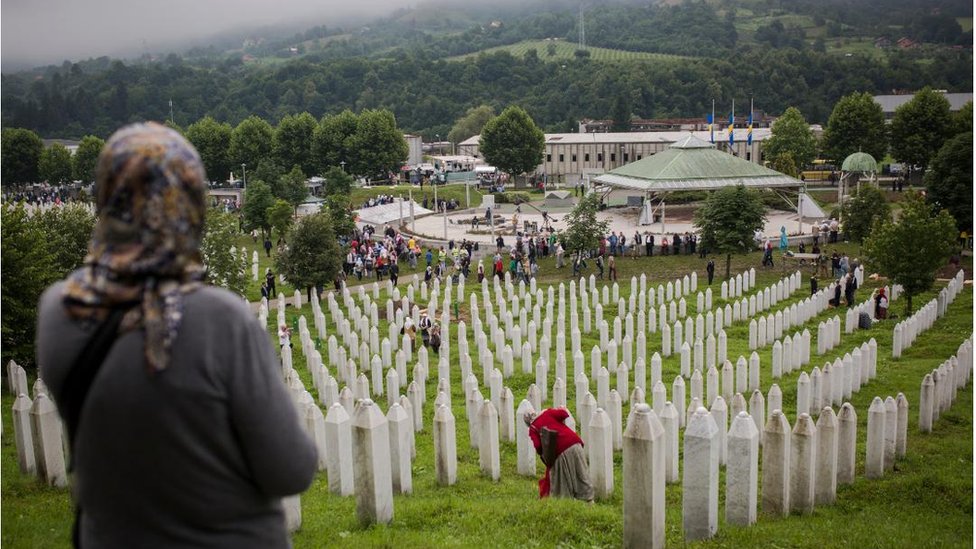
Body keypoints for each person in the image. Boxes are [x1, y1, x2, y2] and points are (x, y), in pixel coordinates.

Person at [36, 123, 316, 548]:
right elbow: (290, 469)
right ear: (190, 202)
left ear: (108, 196)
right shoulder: (222, 319)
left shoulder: (61, 310)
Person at [524, 408, 593, 501]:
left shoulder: (533, 428)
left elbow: (538, 446)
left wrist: (543, 453)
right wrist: (549, 410)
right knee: (581, 473)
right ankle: (589, 500)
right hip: (575, 442)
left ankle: (565, 503)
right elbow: (564, 414)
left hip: (560, 451)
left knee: (563, 480)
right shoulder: (547, 413)